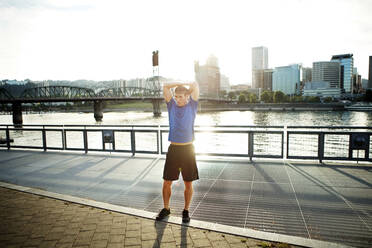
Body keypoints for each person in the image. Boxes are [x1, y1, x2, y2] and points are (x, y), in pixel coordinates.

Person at [156, 81, 200, 223]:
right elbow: (165, 86)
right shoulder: (171, 106)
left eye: (181, 96)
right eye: (176, 96)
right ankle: (166, 208)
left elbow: (195, 85)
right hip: (174, 149)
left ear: (187, 96)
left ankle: (186, 210)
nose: (178, 99)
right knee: (166, 182)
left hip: (188, 149)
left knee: (188, 183)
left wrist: (187, 86)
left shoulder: (192, 105)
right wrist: (179, 84)